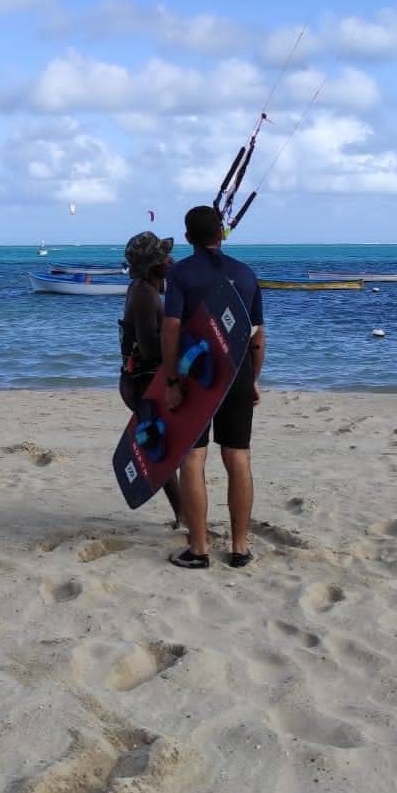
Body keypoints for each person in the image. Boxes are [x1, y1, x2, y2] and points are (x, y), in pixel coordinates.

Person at [162, 205, 265, 571]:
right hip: (236, 374)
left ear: (188, 237)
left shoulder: (181, 275)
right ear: (221, 234)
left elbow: (171, 327)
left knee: (193, 458)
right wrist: (252, 379)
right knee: (238, 457)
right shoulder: (247, 274)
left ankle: (199, 549)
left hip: (196, 376)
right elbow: (256, 335)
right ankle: (240, 548)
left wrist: (172, 379)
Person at [119, 231, 182, 524]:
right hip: (142, 382)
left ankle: (182, 513)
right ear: (154, 265)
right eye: (164, 256)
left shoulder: (149, 288)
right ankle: (183, 514)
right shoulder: (144, 295)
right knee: (162, 448)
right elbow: (149, 349)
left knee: (164, 445)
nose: (171, 260)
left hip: (141, 379)